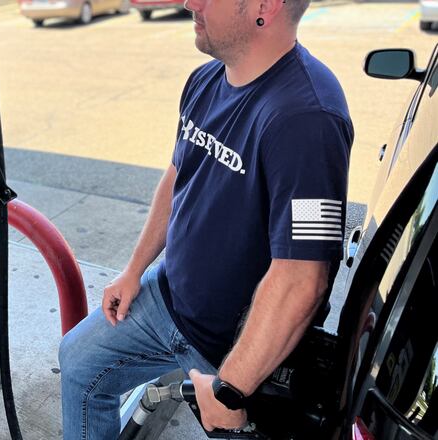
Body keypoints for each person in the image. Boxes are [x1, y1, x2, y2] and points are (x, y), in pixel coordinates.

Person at [57, 0, 354, 436]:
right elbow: (178, 175)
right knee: (79, 361)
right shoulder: (205, 79)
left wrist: (231, 389)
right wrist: (134, 270)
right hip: (166, 301)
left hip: (235, 350)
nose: (188, 2)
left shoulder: (308, 119)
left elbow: (302, 279)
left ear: (264, 7)